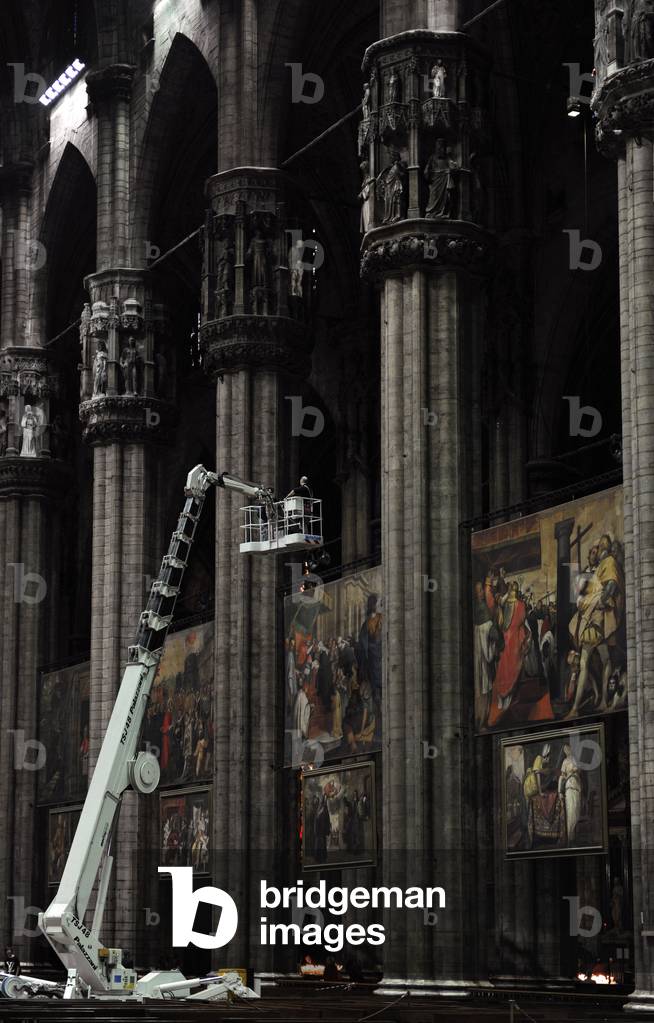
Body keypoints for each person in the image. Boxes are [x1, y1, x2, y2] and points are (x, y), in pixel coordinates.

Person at [558, 743, 582, 844]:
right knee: (571, 812)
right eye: (565, 749)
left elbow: (579, 769)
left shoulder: (575, 759)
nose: (566, 750)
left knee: (576, 812)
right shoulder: (564, 761)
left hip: (576, 786)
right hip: (569, 787)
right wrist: (559, 791)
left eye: (568, 748)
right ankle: (571, 838)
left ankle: (574, 837)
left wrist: (574, 770)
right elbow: (562, 776)